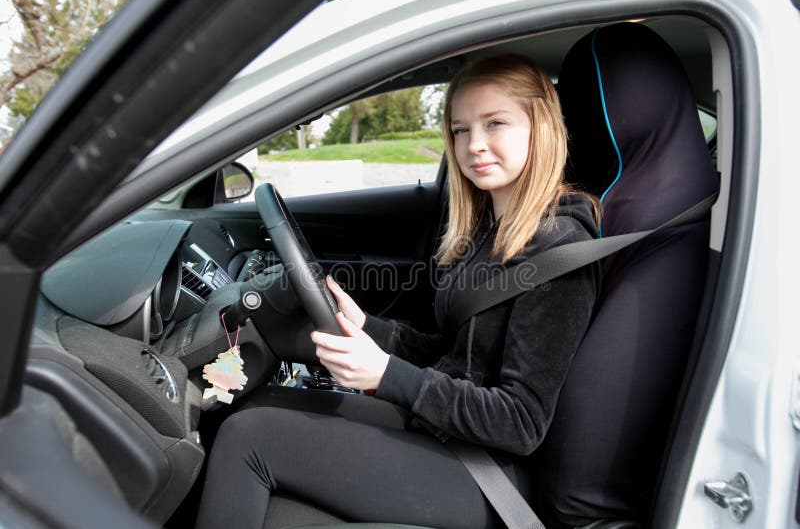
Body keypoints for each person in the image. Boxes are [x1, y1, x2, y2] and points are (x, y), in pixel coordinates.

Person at [195, 55, 600, 529]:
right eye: (460, 130)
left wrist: (386, 374)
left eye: (496, 123)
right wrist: (371, 330)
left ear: (541, 127)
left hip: (488, 470)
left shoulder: (562, 252)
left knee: (249, 438)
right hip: (446, 429)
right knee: (253, 407)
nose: (475, 145)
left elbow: (520, 422)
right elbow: (451, 355)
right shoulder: (490, 231)